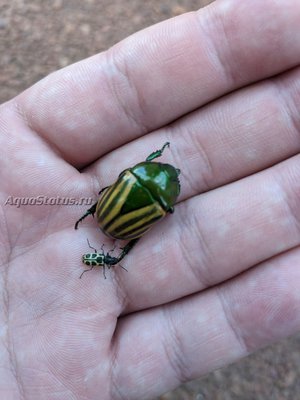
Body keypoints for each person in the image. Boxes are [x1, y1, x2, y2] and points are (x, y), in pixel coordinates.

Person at [1, 0, 300, 398]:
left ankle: (99, 223)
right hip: (120, 219)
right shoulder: (162, 203)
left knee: (114, 209)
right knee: (129, 233)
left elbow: (137, 174)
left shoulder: (135, 173)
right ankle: (111, 236)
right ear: (168, 200)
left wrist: (123, 188)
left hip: (113, 210)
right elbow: (153, 195)